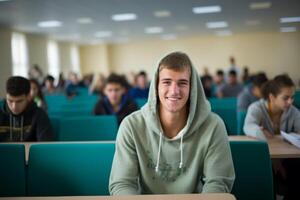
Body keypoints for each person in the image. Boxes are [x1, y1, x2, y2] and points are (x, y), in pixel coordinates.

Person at [109, 52, 235, 195]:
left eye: (182, 83)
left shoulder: (213, 125)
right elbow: (122, 184)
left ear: (192, 88)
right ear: (156, 87)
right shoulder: (131, 126)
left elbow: (218, 183)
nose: (174, 91)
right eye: (166, 82)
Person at [243, 74, 300, 199]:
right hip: (263, 156)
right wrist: (258, 131)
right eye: (286, 98)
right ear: (272, 97)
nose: (290, 102)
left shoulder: (293, 111)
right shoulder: (256, 108)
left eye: (292, 97)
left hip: (287, 158)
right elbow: (248, 127)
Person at [0, 76, 53, 142]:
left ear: (28, 97)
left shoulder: (40, 115)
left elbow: (44, 147)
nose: (14, 107)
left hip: (32, 152)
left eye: (19, 101)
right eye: (10, 101)